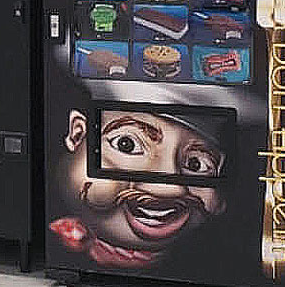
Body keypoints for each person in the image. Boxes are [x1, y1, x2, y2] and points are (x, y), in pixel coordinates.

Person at [48, 109, 227, 269]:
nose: (169, 188)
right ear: (78, 134)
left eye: (195, 164)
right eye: (126, 144)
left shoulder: (212, 262)